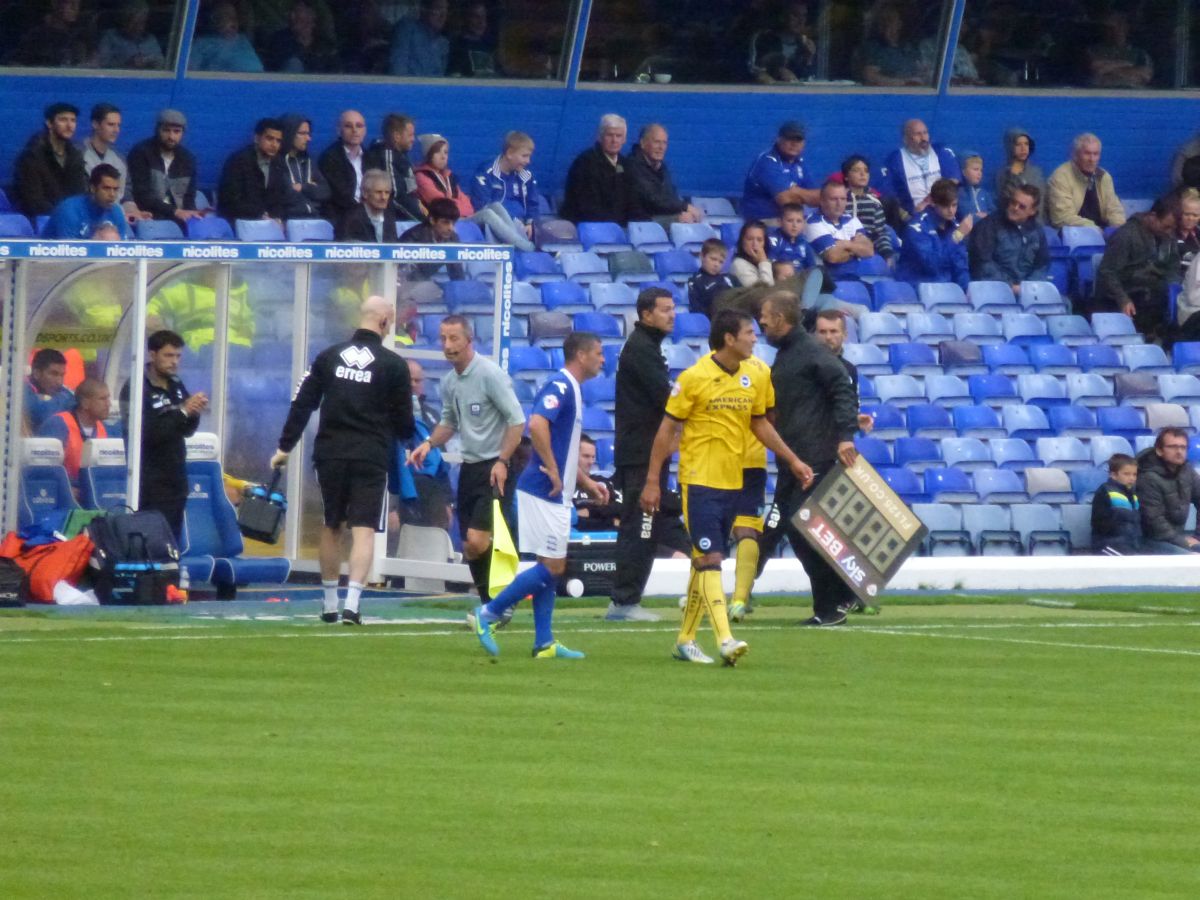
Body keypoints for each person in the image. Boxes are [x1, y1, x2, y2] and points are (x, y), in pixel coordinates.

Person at [640, 309, 813, 663]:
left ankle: (685, 640)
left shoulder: (756, 375)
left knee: (703, 561)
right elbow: (666, 430)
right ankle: (725, 639)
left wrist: (793, 460)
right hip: (698, 481)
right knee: (712, 559)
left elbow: (760, 424)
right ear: (729, 339)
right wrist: (652, 480)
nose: (755, 337)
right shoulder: (694, 378)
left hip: (734, 480)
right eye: (749, 332)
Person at [271, 297, 415, 624]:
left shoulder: (328, 357)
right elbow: (405, 423)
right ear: (383, 322)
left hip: (330, 453)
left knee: (331, 524)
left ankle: (328, 603)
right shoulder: (393, 365)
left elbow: (303, 403)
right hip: (370, 455)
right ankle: (353, 603)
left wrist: (284, 447)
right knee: (363, 530)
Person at [469, 332, 610, 659]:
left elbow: (564, 448)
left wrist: (586, 483)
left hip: (553, 491)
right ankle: (489, 613)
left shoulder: (573, 389)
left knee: (551, 563)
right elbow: (537, 424)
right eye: (599, 353)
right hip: (542, 490)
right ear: (581, 354)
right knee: (553, 566)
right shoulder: (560, 385)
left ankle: (544, 642)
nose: (603, 360)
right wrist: (553, 468)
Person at [758, 290, 861, 626]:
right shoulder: (790, 353)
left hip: (814, 455)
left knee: (806, 530)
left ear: (782, 320)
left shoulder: (810, 351)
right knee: (797, 528)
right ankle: (832, 603)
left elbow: (842, 387)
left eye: (766, 316)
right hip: (794, 457)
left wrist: (845, 436)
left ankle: (835, 601)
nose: (761, 321)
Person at [408, 315, 525, 607]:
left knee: (477, 540)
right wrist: (428, 443)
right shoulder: (450, 382)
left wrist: (503, 461)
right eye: (443, 339)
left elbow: (517, 420)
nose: (448, 345)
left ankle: (500, 601)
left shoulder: (489, 375)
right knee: (470, 547)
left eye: (454, 338)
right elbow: (450, 421)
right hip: (470, 468)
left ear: (469, 340)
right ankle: (492, 607)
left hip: (495, 467)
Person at [607, 287, 676, 622]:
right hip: (643, 453)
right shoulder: (642, 350)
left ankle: (623, 599)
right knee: (641, 526)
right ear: (646, 314)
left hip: (640, 450)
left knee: (641, 525)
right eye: (664, 310)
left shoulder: (646, 346)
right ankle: (623, 602)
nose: (672, 315)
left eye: (672, 309)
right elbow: (669, 400)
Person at [120, 330, 208, 542]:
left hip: (175, 479)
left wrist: (194, 412)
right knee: (151, 542)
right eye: (168, 356)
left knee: (171, 543)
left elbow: (186, 430)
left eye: (178, 356)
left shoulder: (175, 384)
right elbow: (148, 433)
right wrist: (184, 411)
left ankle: (171, 574)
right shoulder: (137, 387)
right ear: (152, 354)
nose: (174, 362)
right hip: (149, 480)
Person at [412, 133, 534, 249]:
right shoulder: (422, 177)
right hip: (447, 221)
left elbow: (468, 206)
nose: (443, 156)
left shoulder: (448, 176)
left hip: (463, 216)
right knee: (487, 214)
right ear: (428, 154)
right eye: (437, 153)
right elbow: (442, 205)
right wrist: (456, 205)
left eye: (446, 152)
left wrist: (455, 204)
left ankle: (518, 243)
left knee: (496, 206)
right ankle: (526, 247)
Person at [1094, 195, 1179, 341]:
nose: (1169, 232)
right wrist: (1122, 299)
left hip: (1155, 293)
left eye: (1172, 228)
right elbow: (1107, 271)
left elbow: (1173, 267)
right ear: (1152, 216)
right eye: (1166, 226)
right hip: (1127, 294)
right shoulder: (1125, 235)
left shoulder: (1168, 237)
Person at [967, 184, 1049, 293]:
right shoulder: (989, 225)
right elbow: (983, 263)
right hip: (993, 291)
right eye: (1013, 202)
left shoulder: (1037, 232)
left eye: (1022, 206)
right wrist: (1010, 286)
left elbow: (1041, 266)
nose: (1015, 208)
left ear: (1032, 211)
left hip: (1026, 293)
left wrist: (1026, 288)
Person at [128, 109, 203, 225]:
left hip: (178, 220)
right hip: (148, 217)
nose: (171, 137)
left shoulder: (188, 159)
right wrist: (175, 211)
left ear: (183, 133)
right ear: (157, 130)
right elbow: (141, 195)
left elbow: (189, 197)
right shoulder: (141, 153)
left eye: (176, 132)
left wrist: (191, 213)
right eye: (166, 131)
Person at [13, 102, 88, 219]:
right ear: (49, 123)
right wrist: (64, 213)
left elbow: (79, 194)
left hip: (70, 218)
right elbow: (33, 201)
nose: (69, 125)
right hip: (41, 220)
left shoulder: (75, 156)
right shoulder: (32, 156)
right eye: (63, 120)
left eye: (73, 120)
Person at [36, 378, 112, 490]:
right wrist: (67, 488)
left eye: (108, 398)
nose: (108, 404)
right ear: (85, 403)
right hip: (63, 493)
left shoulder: (103, 428)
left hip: (93, 492)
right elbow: (44, 470)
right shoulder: (58, 425)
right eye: (102, 399)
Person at [896, 177, 972, 290]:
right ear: (932, 202)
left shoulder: (955, 226)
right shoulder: (916, 228)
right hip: (916, 289)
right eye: (945, 205)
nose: (951, 210)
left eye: (954, 205)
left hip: (946, 290)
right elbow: (932, 265)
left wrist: (966, 292)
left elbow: (960, 266)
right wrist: (956, 237)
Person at [880, 119, 962, 221]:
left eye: (925, 133)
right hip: (915, 216)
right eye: (917, 134)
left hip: (943, 212)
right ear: (906, 139)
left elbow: (953, 181)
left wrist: (928, 200)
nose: (923, 138)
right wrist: (906, 217)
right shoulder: (895, 159)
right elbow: (888, 194)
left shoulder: (941, 151)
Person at [560, 114, 635, 226]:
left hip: (618, 225)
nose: (614, 140)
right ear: (599, 137)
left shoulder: (626, 164)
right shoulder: (584, 163)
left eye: (618, 136)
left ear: (624, 139)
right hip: (588, 226)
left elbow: (633, 201)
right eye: (609, 135)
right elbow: (585, 206)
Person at [469, 131, 542, 243]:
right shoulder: (486, 173)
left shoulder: (526, 176)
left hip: (522, 226)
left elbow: (533, 204)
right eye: (524, 156)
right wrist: (512, 222)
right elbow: (482, 206)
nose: (528, 161)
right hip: (495, 227)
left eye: (529, 156)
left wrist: (530, 223)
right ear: (509, 153)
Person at [1136, 427, 1200, 554]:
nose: (1179, 451)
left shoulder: (1187, 471)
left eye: (1183, 447)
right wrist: (1183, 541)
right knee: (1191, 559)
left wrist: (1198, 536)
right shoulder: (1147, 477)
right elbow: (1154, 521)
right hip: (1150, 540)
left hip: (1176, 538)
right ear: (1159, 450)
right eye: (1173, 447)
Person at [217, 117, 291, 224]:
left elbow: (281, 199)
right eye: (269, 139)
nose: (274, 144)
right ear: (257, 138)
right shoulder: (239, 161)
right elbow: (230, 200)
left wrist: (277, 217)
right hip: (240, 222)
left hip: (268, 223)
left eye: (278, 141)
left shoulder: (279, 164)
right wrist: (259, 215)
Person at [741, 120, 819, 223]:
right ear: (779, 139)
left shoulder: (799, 162)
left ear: (803, 143)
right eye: (789, 139)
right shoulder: (767, 161)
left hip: (789, 221)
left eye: (798, 140)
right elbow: (787, 201)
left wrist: (795, 191)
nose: (794, 143)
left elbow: (817, 198)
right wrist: (803, 197)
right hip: (761, 222)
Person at [81, 102, 145, 223]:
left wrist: (133, 211)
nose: (116, 130)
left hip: (118, 216)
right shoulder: (79, 154)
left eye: (118, 125)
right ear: (95, 124)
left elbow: (126, 192)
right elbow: (83, 194)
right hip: (89, 216)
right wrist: (120, 212)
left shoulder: (120, 158)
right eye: (110, 124)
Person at [626, 123, 702, 224]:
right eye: (657, 142)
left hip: (660, 217)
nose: (661, 147)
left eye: (664, 143)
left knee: (691, 218)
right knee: (683, 220)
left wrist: (684, 210)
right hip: (641, 222)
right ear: (643, 143)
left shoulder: (662, 168)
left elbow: (671, 196)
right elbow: (653, 200)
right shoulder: (632, 166)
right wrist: (685, 207)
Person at [1047, 133, 1126, 229]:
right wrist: (1096, 230)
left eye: (1096, 154)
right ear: (1076, 155)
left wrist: (1118, 228)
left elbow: (1114, 208)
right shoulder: (1061, 176)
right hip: (1073, 233)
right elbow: (1062, 217)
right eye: (1087, 153)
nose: (1092, 159)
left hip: (1102, 231)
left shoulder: (1103, 176)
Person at [803, 181, 875, 278]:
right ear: (822, 201)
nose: (839, 203)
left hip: (854, 278)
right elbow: (833, 257)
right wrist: (856, 249)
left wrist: (845, 244)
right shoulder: (813, 222)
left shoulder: (851, 219)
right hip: (829, 282)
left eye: (843, 199)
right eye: (833, 199)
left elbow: (869, 250)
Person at [363, 112, 424, 222]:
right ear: (397, 136)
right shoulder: (387, 156)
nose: (413, 139)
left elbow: (411, 191)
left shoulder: (402, 156)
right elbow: (395, 197)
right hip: (399, 222)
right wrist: (422, 221)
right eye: (410, 135)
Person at [43, 163, 130, 240]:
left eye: (115, 189)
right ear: (92, 188)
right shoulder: (69, 210)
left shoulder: (116, 212)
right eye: (106, 188)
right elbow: (68, 253)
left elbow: (121, 249)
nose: (112, 194)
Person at [841, 155, 895, 261]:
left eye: (866, 171)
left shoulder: (874, 202)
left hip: (868, 253)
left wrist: (887, 255)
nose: (862, 174)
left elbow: (880, 234)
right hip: (844, 250)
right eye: (857, 170)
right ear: (846, 176)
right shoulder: (840, 199)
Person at [318, 109, 369, 223]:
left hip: (370, 214)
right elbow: (340, 196)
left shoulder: (372, 158)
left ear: (365, 131)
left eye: (359, 126)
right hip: (343, 218)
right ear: (338, 131)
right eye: (348, 126)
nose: (355, 130)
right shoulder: (329, 158)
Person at [278, 113, 331, 219]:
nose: (308, 138)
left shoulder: (308, 162)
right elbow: (286, 194)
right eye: (302, 133)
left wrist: (303, 187)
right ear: (289, 133)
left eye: (308, 133)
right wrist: (312, 188)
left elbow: (325, 192)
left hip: (314, 217)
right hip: (289, 219)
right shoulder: (278, 162)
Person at [8, 0, 93, 67]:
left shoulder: (81, 36)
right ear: (55, 3)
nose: (74, 8)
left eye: (77, 4)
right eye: (70, 3)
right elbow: (16, 63)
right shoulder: (37, 36)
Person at [747, 1, 816, 84]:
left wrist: (809, 58)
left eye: (804, 16)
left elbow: (810, 79)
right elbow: (754, 71)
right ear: (782, 16)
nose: (801, 20)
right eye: (795, 15)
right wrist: (777, 73)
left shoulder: (806, 44)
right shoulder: (763, 39)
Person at [262, 0, 338, 73]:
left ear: (312, 14)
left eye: (297, 11)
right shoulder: (279, 41)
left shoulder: (326, 47)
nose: (292, 16)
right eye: (291, 11)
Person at [1091, 453, 1145, 556]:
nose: (1132, 478)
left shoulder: (1133, 495)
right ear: (1113, 475)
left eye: (1134, 474)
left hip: (1131, 544)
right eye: (1126, 474)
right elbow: (1099, 523)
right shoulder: (1105, 491)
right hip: (1107, 546)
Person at [861, 5, 926, 87]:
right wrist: (903, 83)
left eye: (890, 20)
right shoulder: (874, 48)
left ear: (899, 24)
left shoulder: (910, 47)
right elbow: (870, 76)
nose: (886, 24)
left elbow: (923, 71)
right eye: (883, 21)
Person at [189, 2, 264, 72]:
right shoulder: (202, 43)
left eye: (235, 17)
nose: (234, 20)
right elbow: (190, 71)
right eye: (227, 16)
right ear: (215, 20)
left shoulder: (243, 40)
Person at [1087, 11, 1152, 90]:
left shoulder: (1140, 54)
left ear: (1126, 28)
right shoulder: (1094, 51)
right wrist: (1127, 65)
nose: (1112, 31)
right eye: (1108, 28)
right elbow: (1097, 70)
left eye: (1117, 26)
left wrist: (1110, 68)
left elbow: (1144, 76)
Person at [96, 0, 165, 69]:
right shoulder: (110, 37)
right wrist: (126, 64)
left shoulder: (151, 40)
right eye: (134, 23)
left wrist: (152, 62)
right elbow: (101, 65)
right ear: (123, 20)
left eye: (142, 23)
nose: (138, 28)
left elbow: (162, 64)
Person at [336, 168, 399, 243]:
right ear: (365, 193)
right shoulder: (351, 219)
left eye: (387, 192)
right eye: (378, 192)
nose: (383, 197)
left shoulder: (389, 217)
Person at [996, 127, 1045, 220]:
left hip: (1036, 225)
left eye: (1026, 144)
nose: (1023, 148)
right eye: (1018, 144)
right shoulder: (1002, 174)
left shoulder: (1036, 173)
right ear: (1010, 147)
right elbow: (1004, 204)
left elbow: (1041, 202)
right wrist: (1012, 176)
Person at [389, 0, 449, 76]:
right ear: (424, 10)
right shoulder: (407, 30)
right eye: (438, 9)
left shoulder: (443, 44)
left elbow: (440, 77)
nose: (443, 16)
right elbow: (397, 70)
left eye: (445, 10)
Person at [573, 435, 619, 531]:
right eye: (586, 456)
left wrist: (590, 511)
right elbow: (570, 520)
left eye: (593, 457)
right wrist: (610, 522)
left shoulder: (603, 482)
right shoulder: (563, 485)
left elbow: (619, 510)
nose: (591, 462)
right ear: (572, 456)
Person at [24, 348, 76, 433]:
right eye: (54, 374)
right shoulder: (21, 391)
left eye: (62, 375)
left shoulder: (65, 392)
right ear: (37, 373)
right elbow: (42, 414)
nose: (59, 381)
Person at [447, 1, 500, 77]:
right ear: (465, 18)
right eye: (476, 17)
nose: (481, 22)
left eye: (484, 17)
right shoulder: (455, 47)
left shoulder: (490, 47)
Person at [688, 238, 737, 319]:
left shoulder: (730, 279)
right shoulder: (695, 281)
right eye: (713, 259)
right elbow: (697, 309)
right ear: (702, 256)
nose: (716, 264)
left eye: (721, 262)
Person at [770, 202, 821, 273]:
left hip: (802, 279)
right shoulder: (774, 239)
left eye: (799, 221)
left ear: (803, 223)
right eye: (790, 221)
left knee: (821, 270)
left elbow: (812, 267)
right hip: (782, 279)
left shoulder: (804, 242)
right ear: (780, 222)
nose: (794, 225)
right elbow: (771, 265)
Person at [732, 221, 776, 287]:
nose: (755, 244)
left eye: (759, 240)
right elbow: (764, 291)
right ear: (742, 241)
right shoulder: (738, 264)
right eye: (750, 239)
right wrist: (763, 261)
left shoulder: (769, 261)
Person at [957, 154, 995, 219]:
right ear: (964, 172)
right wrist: (975, 217)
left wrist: (987, 215)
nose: (979, 173)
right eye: (975, 169)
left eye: (981, 170)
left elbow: (994, 212)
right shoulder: (958, 194)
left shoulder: (983, 193)